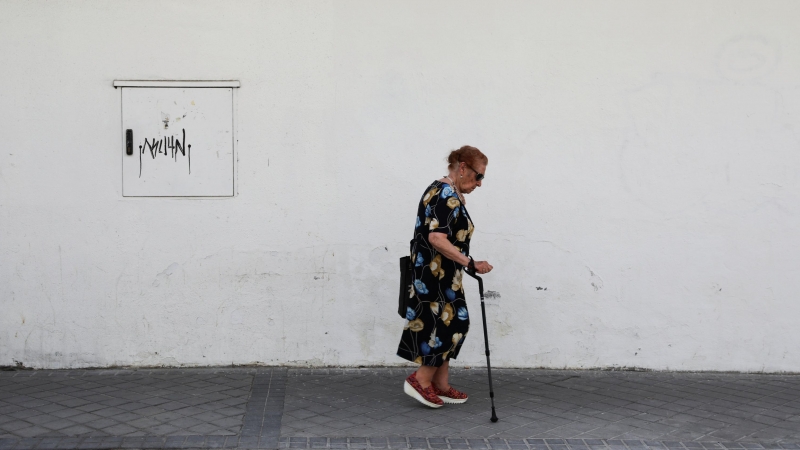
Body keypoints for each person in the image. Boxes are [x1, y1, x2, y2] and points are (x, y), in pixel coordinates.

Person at [397, 145, 493, 408]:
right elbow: (437, 238)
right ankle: (421, 380)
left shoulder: (444, 191)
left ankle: (440, 384)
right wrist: (470, 262)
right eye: (478, 176)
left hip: (442, 274)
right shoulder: (445, 195)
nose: (480, 183)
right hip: (435, 275)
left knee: (450, 326)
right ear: (462, 168)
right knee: (447, 326)